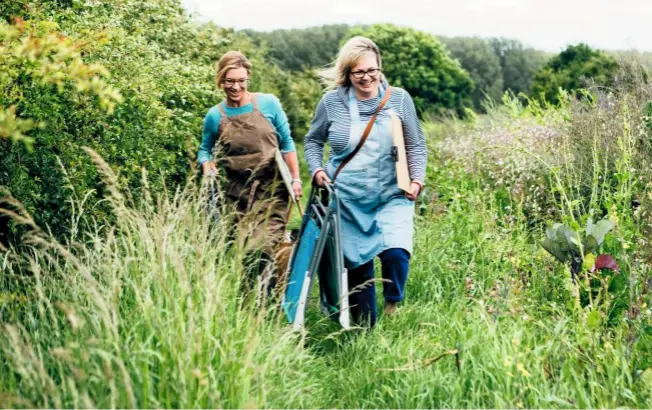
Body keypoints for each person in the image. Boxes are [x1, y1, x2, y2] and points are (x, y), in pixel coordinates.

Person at [304, 36, 427, 327]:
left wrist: (417, 180)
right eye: (359, 72)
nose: (367, 77)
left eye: (372, 70)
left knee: (396, 253)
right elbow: (312, 141)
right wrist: (317, 170)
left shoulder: (399, 99)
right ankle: (364, 330)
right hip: (347, 199)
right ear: (347, 74)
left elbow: (417, 145)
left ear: (380, 68)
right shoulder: (331, 102)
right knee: (359, 278)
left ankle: (393, 303)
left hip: (391, 193)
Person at [198, 50, 302, 289]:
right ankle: (257, 304)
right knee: (245, 253)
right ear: (220, 80)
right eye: (230, 81)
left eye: (241, 81)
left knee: (261, 247)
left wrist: (296, 179)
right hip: (237, 196)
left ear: (248, 78)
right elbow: (204, 149)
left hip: (272, 189)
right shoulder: (215, 116)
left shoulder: (268, 104)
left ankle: (267, 304)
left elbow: (286, 143)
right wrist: (206, 162)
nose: (236, 87)